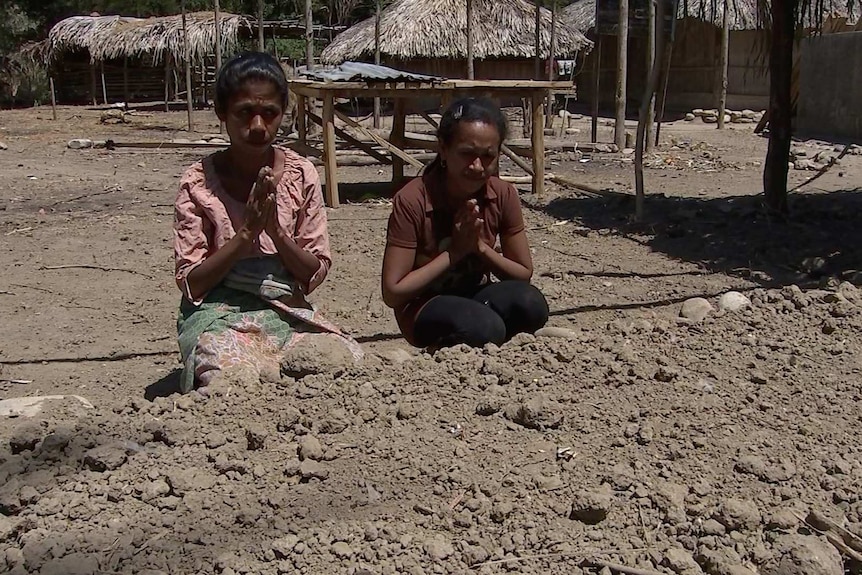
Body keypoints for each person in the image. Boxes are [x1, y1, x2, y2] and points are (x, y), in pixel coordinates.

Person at [173, 51, 361, 392]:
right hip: (222, 316)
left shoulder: (301, 173)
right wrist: (246, 235)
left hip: (286, 311)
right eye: (245, 113)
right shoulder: (198, 182)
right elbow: (193, 283)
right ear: (222, 113)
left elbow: (313, 272)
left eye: (269, 113)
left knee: (344, 358)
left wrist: (275, 231)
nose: (258, 126)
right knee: (229, 377)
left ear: (282, 115)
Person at [382, 97, 549, 349]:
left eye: (488, 156)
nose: (477, 166)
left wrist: (480, 248)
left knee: (531, 304)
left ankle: (489, 340)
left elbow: (522, 274)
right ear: (444, 149)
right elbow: (393, 292)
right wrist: (455, 252)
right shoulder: (413, 200)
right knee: (482, 327)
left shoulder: (503, 194)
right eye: (467, 154)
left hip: (476, 295)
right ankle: (464, 342)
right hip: (424, 304)